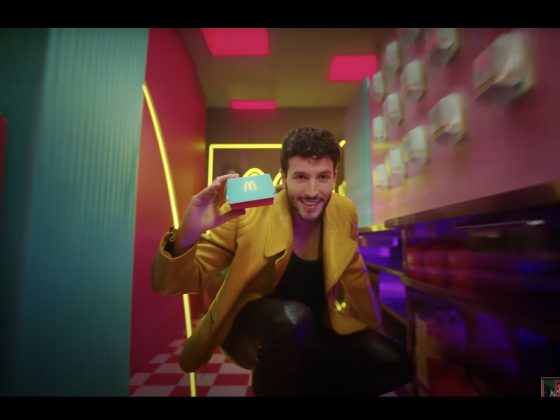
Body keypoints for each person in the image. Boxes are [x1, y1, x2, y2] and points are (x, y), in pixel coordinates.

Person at [151, 126, 412, 396]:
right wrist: (188, 233)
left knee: (396, 362)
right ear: (284, 177)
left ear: (335, 176)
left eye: (323, 177)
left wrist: (374, 329)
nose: (312, 192)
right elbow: (174, 283)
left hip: (313, 326)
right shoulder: (248, 210)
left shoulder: (343, 210)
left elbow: (356, 276)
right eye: (301, 177)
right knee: (293, 319)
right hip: (252, 325)